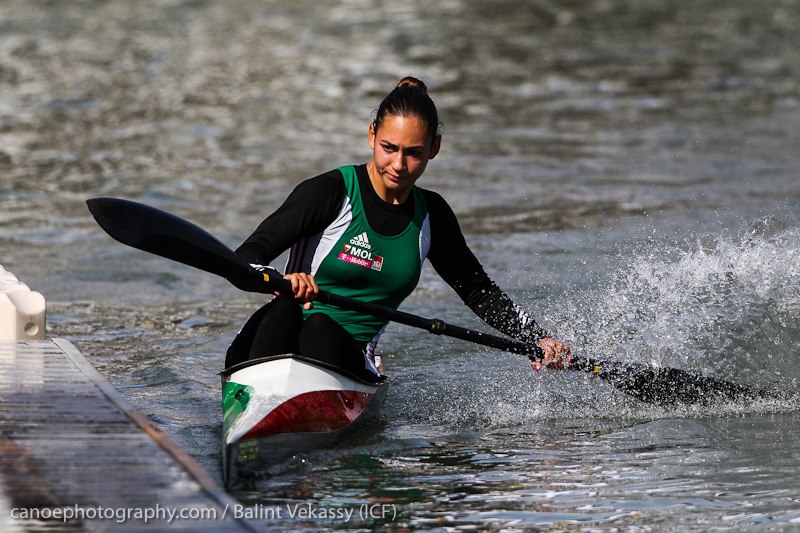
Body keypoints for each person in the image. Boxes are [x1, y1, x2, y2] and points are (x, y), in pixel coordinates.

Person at [226, 76, 572, 379]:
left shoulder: (431, 215)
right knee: (287, 310)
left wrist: (538, 339)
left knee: (321, 327)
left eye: (414, 153)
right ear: (371, 135)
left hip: (345, 362)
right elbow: (243, 261)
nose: (399, 165)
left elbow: (479, 292)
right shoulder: (328, 192)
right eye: (389, 148)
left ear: (435, 148)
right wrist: (279, 279)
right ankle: (257, 408)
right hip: (271, 342)